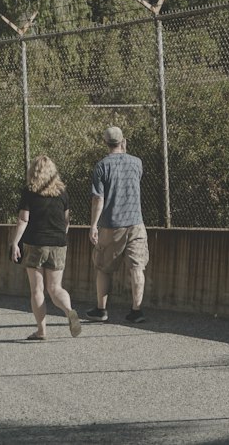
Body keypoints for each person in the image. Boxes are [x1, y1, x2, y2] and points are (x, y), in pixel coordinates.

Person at [9, 154, 82, 341]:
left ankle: (41, 331)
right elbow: (66, 221)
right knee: (56, 288)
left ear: (33, 171)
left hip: (35, 243)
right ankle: (69, 311)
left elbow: (23, 219)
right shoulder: (63, 193)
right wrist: (60, 236)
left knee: (37, 290)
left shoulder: (29, 192)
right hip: (58, 243)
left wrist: (15, 242)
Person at [87, 124, 149, 324]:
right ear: (123, 141)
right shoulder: (137, 163)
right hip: (136, 223)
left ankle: (101, 309)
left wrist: (93, 225)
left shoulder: (102, 166)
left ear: (105, 143)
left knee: (104, 267)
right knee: (137, 267)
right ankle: (136, 310)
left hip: (112, 224)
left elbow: (98, 199)